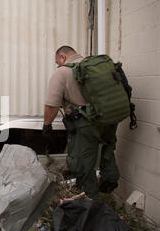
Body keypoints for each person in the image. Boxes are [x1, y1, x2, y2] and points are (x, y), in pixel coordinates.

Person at [43, 46, 120, 199]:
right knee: (107, 148)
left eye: (57, 62)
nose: (58, 65)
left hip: (85, 124)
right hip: (109, 118)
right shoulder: (96, 67)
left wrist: (47, 125)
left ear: (63, 57)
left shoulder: (63, 72)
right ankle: (110, 179)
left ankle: (89, 203)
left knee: (83, 164)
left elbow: (52, 105)